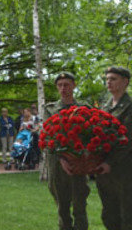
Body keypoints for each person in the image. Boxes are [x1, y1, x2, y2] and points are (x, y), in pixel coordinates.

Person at [44, 72, 90, 230]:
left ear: (74, 85)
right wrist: (62, 158)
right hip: (58, 166)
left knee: (80, 206)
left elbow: (92, 134)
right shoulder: (50, 109)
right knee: (62, 208)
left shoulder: (85, 109)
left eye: (67, 84)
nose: (63, 88)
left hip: (79, 164)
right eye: (60, 85)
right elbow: (48, 138)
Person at [94, 67, 132, 230]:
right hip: (104, 170)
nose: (108, 82)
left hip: (124, 169)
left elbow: (127, 141)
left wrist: (110, 162)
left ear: (125, 82)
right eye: (107, 79)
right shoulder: (104, 107)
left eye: (113, 79)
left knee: (127, 213)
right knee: (109, 213)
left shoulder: (129, 107)